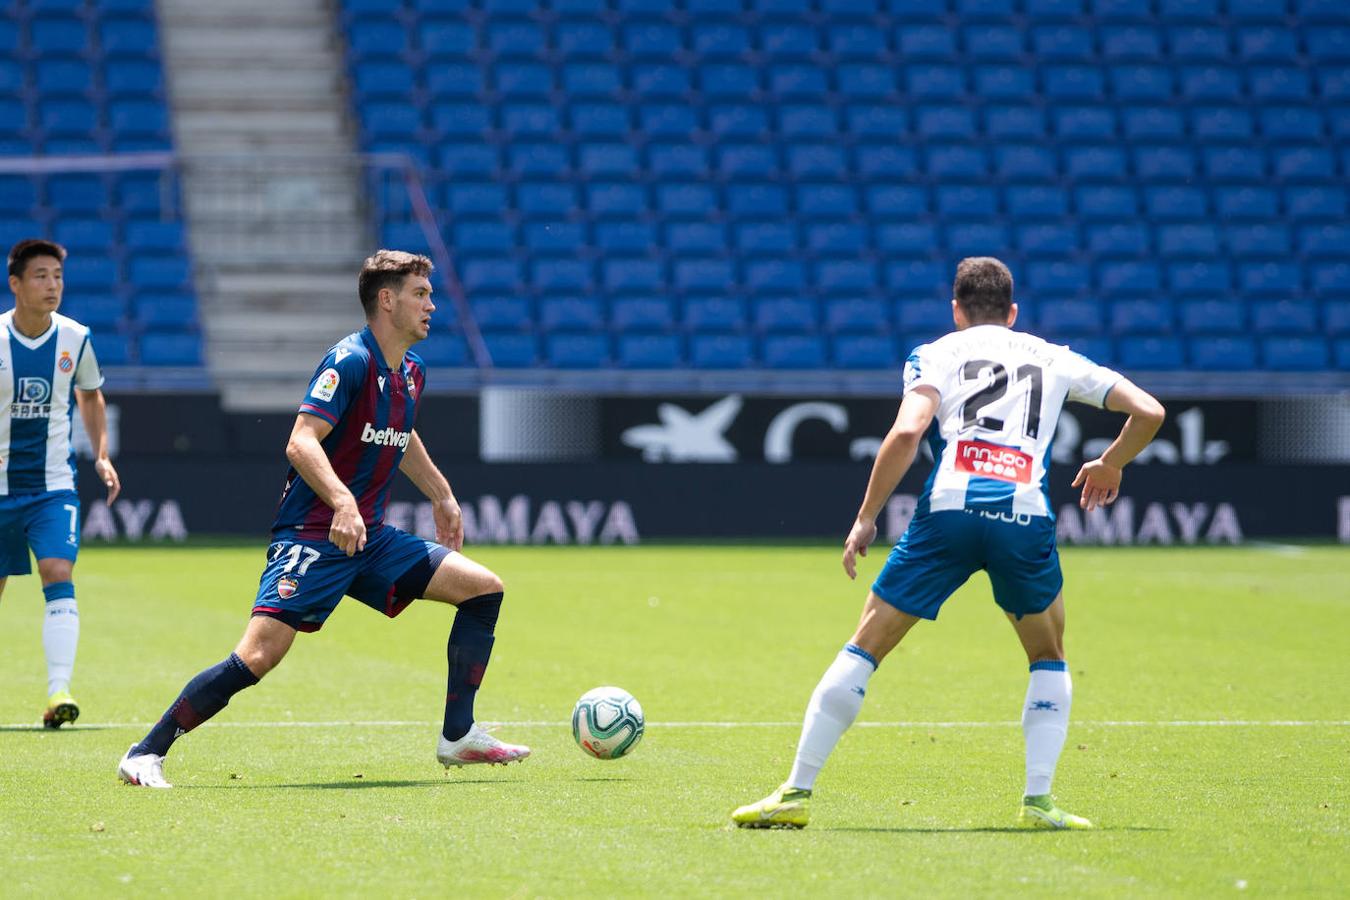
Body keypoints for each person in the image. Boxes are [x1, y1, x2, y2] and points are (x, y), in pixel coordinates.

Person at [732, 257, 1165, 830]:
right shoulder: (1055, 357)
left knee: (866, 644)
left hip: (949, 511)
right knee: (1047, 653)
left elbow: (909, 430)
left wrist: (866, 518)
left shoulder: (938, 352)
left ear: (957, 310)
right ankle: (1038, 803)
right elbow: (1150, 411)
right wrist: (1111, 464)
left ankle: (796, 791)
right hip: (1023, 513)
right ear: (1012, 313)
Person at [118, 250, 528, 788]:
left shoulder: (410, 372)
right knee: (258, 656)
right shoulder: (349, 360)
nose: (433, 305)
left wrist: (442, 494)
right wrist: (341, 501)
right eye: (421, 295)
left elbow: (400, 440)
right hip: (315, 535)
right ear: (387, 299)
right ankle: (146, 752)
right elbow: (300, 440)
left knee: (483, 590)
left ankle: (458, 735)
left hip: (369, 538)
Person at [2, 239, 120, 728]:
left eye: (57, 276)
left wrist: (101, 454)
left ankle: (58, 692)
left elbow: (90, 396)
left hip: (52, 485)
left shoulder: (76, 337)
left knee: (57, 570)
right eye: (41, 276)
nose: (52, 285)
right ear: (16, 284)